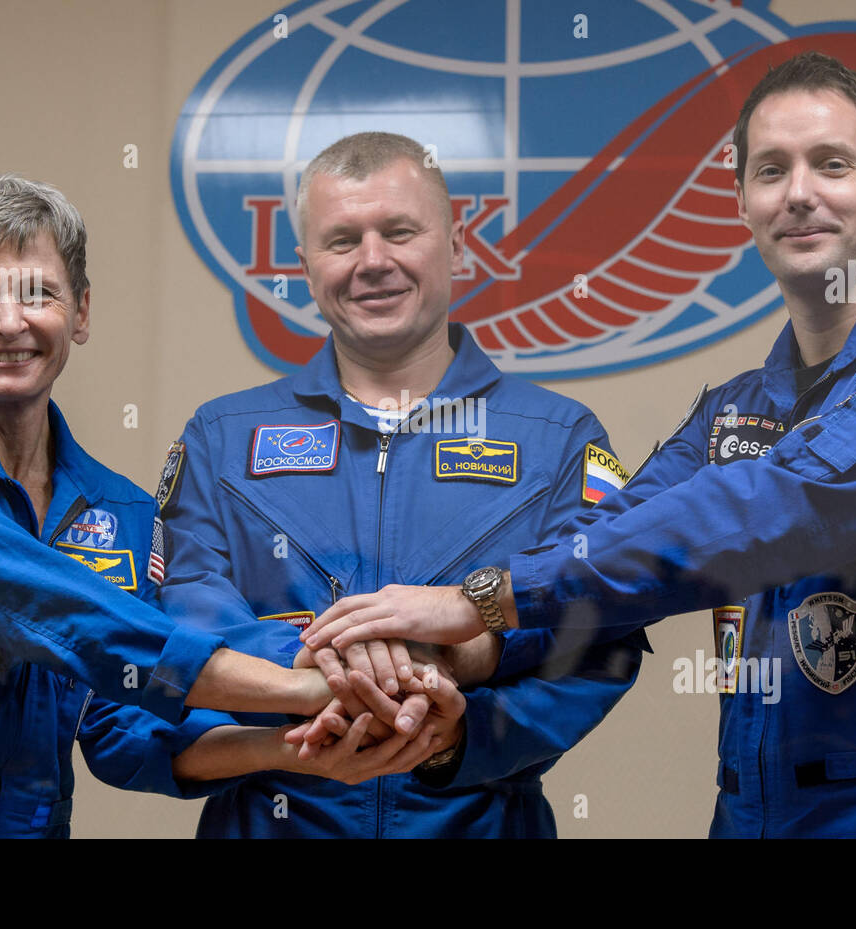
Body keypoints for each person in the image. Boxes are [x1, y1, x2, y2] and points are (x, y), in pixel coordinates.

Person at [302, 54, 856, 838]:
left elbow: (778, 506)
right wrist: (454, 661)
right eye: (770, 170)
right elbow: (606, 549)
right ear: (740, 200)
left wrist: (473, 600)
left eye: (831, 165)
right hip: (748, 810)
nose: (799, 193)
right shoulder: (737, 409)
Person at [0, 175, 343, 838]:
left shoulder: (122, 511)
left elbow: (119, 723)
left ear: (80, 313)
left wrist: (292, 745)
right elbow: (37, 602)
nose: (9, 322)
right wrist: (296, 686)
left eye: (38, 294)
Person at [158, 132, 648, 838]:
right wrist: (324, 669)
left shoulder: (560, 437)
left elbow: (602, 633)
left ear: (456, 244)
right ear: (303, 265)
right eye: (342, 240)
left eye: (399, 232)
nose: (373, 261)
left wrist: (455, 731)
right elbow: (184, 609)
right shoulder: (222, 436)